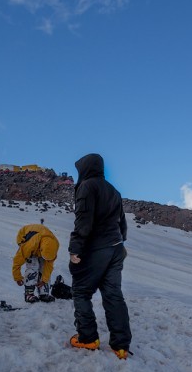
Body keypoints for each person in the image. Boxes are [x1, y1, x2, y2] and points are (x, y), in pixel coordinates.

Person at [68, 153, 131, 360]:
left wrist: (75, 248)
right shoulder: (114, 191)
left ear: (85, 168)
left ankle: (87, 338)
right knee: (113, 295)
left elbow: (83, 220)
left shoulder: (87, 186)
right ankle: (120, 346)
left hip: (97, 248)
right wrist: (120, 243)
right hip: (115, 247)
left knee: (81, 291)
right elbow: (122, 223)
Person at [12, 224, 59, 303]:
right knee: (33, 265)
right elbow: (17, 261)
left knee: (44, 267)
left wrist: (44, 280)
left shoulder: (54, 245)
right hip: (25, 237)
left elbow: (49, 266)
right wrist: (17, 277)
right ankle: (28, 294)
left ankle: (43, 294)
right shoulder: (29, 245)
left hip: (41, 245)